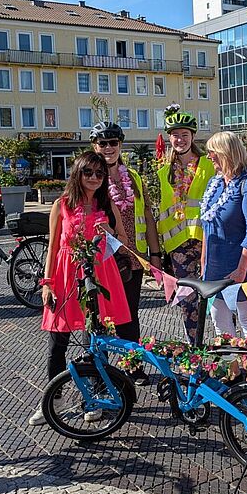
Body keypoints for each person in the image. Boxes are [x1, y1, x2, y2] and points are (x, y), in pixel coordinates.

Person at [30, 152, 132, 426]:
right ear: (78, 173)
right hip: (65, 275)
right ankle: (54, 397)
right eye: (89, 172)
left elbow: (122, 240)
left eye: (100, 174)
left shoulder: (107, 203)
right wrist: (47, 283)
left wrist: (108, 227)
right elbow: (52, 247)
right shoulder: (62, 205)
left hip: (98, 276)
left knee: (94, 339)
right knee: (56, 342)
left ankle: (96, 395)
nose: (95, 178)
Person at [91, 121, 161, 385]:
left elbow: (146, 216)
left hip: (133, 258)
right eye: (103, 143)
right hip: (103, 261)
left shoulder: (133, 176)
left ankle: (132, 365)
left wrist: (154, 254)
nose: (108, 148)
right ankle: (101, 372)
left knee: (130, 315)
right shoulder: (91, 176)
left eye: (114, 143)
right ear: (94, 146)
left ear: (121, 145)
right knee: (100, 318)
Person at [201, 131, 247, 372]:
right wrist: (204, 263)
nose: (209, 156)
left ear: (228, 153)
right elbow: (207, 228)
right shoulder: (215, 184)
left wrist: (241, 269)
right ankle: (232, 368)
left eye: (213, 152)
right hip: (216, 267)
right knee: (219, 318)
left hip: (243, 267)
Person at [155, 105, 216, 344]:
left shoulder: (209, 165)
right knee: (188, 302)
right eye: (175, 135)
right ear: (169, 138)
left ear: (193, 137)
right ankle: (195, 350)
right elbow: (162, 211)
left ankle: (227, 355)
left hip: (207, 241)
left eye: (185, 135)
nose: (180, 139)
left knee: (218, 300)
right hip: (178, 245)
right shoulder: (163, 173)